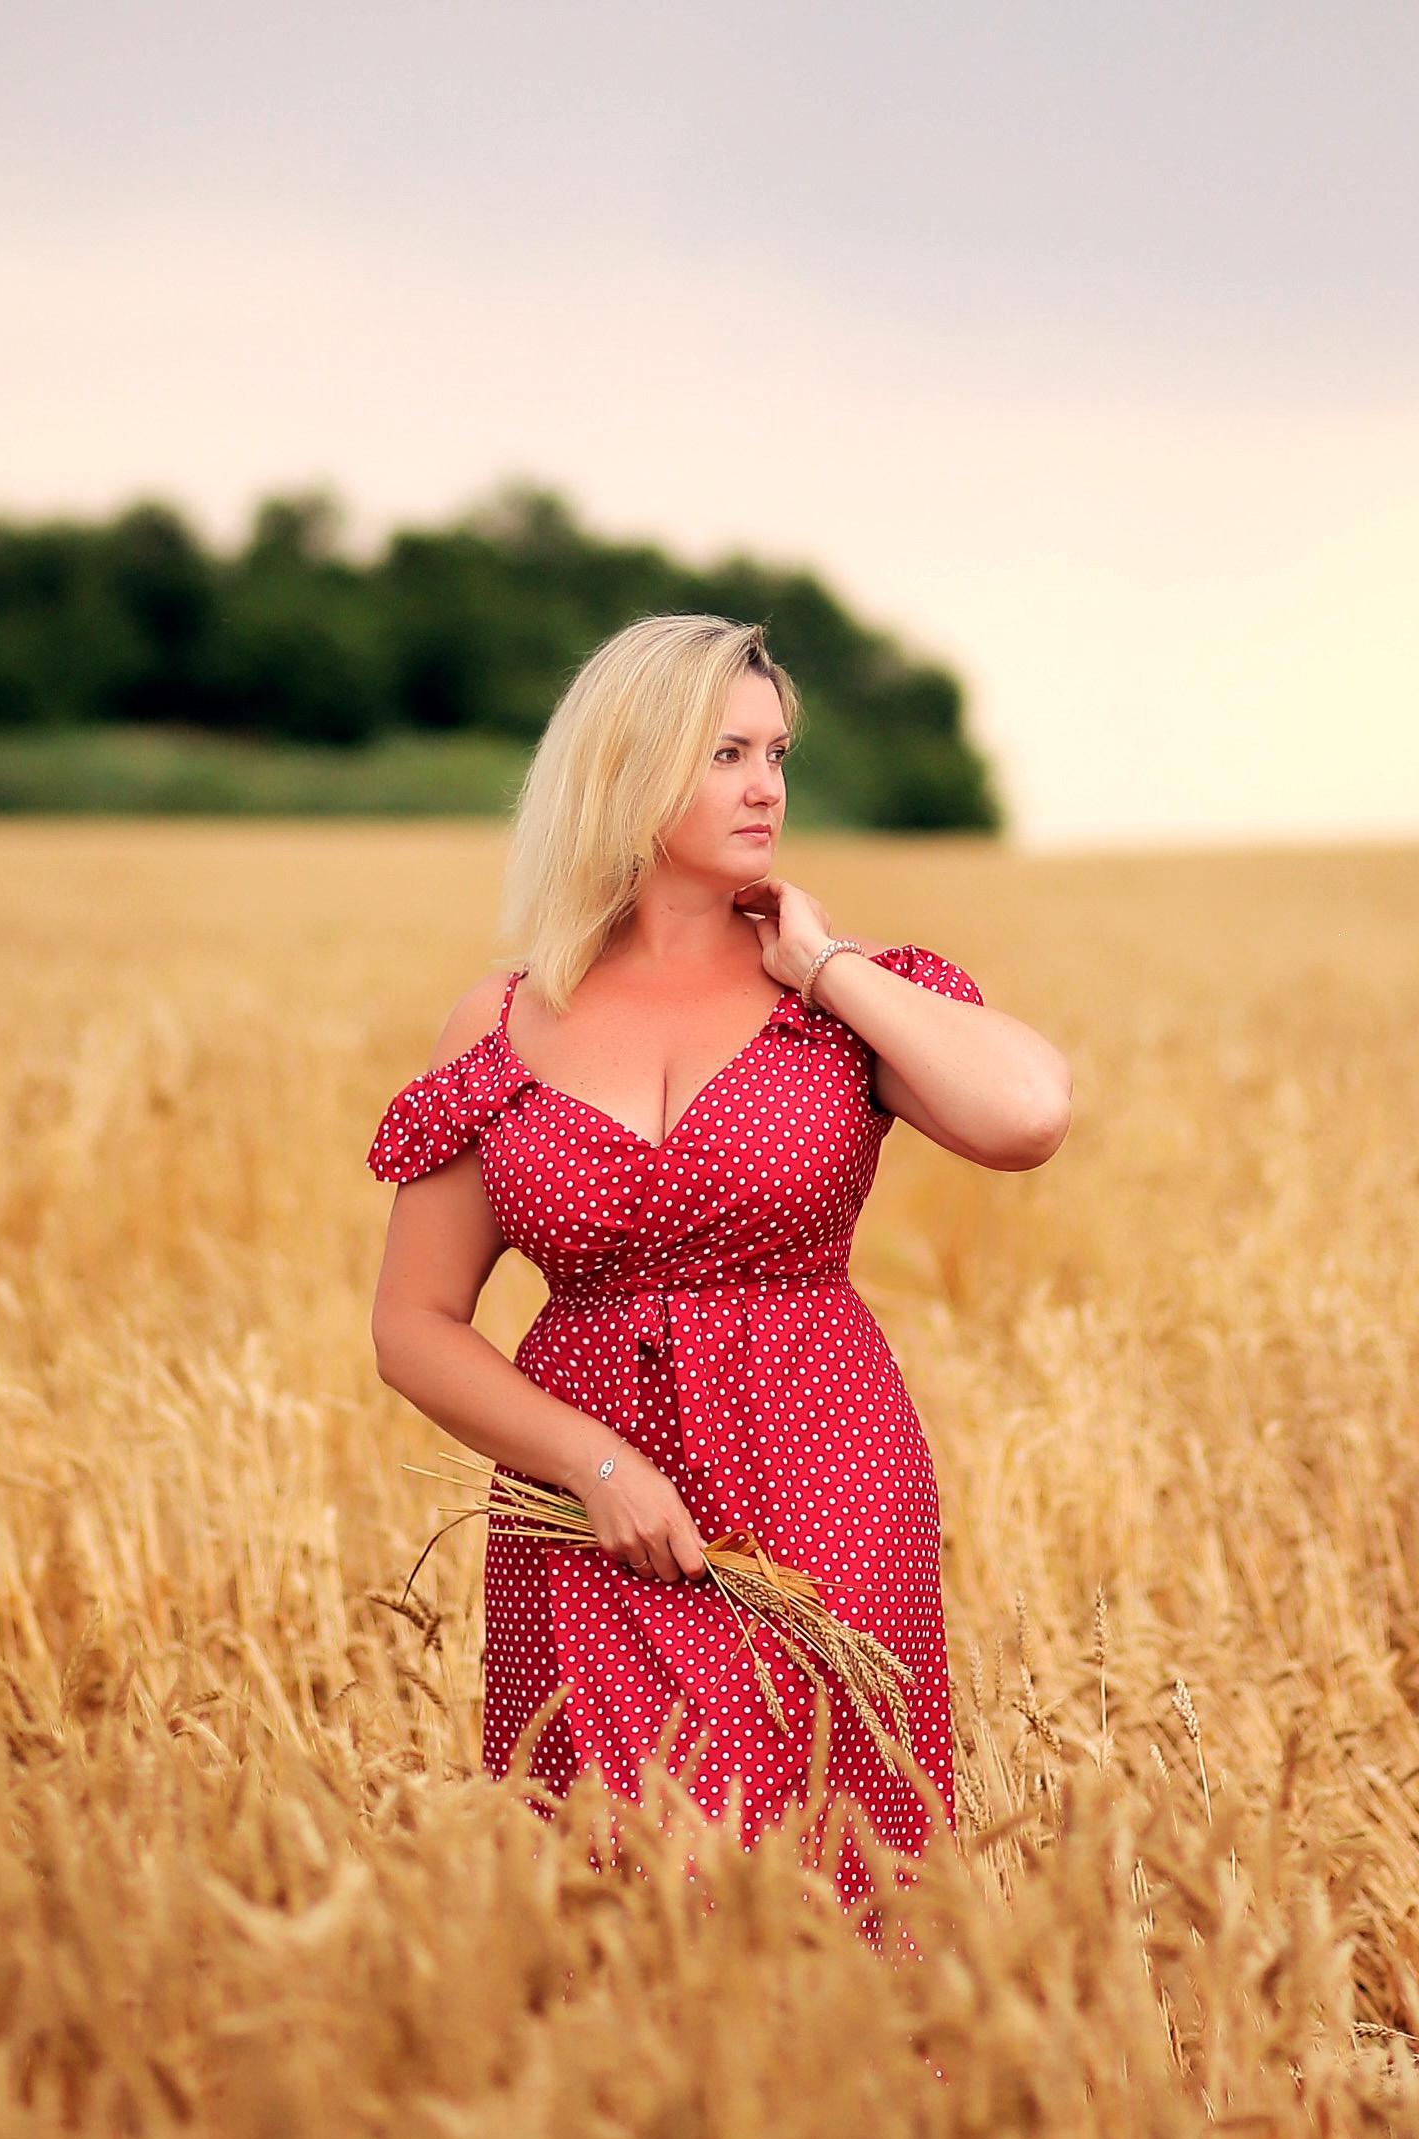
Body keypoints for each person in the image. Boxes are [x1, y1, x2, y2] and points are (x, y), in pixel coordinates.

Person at [368, 612, 1071, 1901]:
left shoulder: (834, 999)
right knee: (611, 1901)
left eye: (777, 753)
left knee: (838, 1881)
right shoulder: (506, 1019)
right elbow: (413, 1322)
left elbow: (1026, 1117)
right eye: (726, 754)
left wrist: (827, 964)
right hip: (582, 1519)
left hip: (826, 1488)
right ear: (629, 770)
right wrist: (595, 1465)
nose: (767, 788)